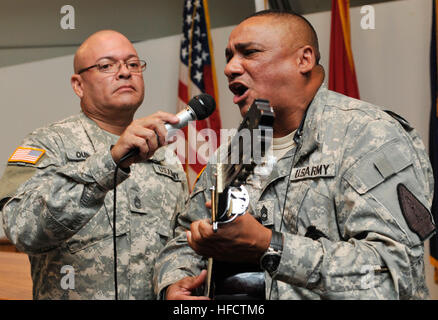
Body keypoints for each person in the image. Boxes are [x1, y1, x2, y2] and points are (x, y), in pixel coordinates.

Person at [154, 10, 436, 300]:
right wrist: (175, 282)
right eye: (229, 57)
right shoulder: (238, 148)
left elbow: (394, 275)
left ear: (304, 59)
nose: (230, 68)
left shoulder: (369, 134)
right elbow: (186, 236)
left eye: (249, 53)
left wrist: (269, 245)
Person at [0, 30, 189, 299]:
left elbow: (180, 242)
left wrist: (175, 282)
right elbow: (23, 230)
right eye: (107, 66)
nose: (125, 72)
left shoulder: (165, 158)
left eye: (133, 64)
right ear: (79, 85)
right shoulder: (47, 145)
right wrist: (109, 163)